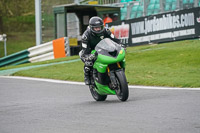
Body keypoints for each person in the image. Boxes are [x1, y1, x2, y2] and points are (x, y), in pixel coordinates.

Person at [79, 16, 122, 85]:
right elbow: (85, 50)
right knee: (88, 62)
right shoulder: (86, 36)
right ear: (91, 28)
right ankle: (87, 76)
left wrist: (120, 44)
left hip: (103, 47)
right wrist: (88, 56)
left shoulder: (106, 30)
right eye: (96, 28)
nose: (98, 29)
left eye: (99, 27)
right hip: (91, 50)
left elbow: (115, 39)